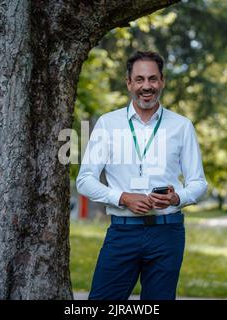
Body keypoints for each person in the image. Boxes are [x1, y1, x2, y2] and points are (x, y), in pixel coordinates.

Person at [76, 51, 207, 300]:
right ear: (129, 83)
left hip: (167, 234)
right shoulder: (108, 123)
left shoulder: (182, 126)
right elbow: (85, 180)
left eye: (152, 79)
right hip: (122, 232)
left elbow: (199, 183)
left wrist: (176, 198)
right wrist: (123, 197)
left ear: (162, 81)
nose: (146, 86)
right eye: (139, 79)